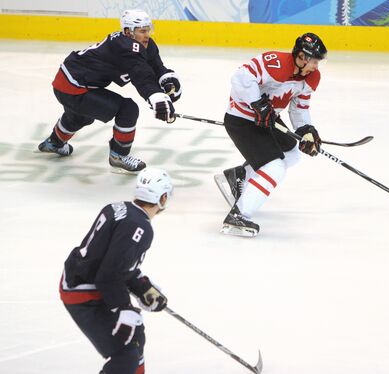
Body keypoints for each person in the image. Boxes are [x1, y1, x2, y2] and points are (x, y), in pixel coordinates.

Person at [59, 167, 173, 374]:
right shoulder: (140, 228)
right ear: (163, 197)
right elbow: (109, 275)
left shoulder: (117, 208)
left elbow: (113, 263)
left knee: (136, 336)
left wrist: (142, 287)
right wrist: (124, 308)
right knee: (126, 354)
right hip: (84, 293)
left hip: (79, 277)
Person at [38, 9, 181, 173]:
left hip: (68, 81)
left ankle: (54, 143)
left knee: (81, 116)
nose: (147, 35)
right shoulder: (126, 47)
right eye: (142, 31)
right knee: (128, 109)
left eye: (148, 30)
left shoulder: (139, 43)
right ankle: (118, 155)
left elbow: (155, 66)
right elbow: (142, 75)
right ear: (128, 32)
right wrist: (157, 97)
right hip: (74, 86)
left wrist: (168, 81)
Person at [216, 33, 326, 237]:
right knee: (274, 166)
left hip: (268, 120)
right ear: (301, 56)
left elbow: (299, 107)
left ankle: (239, 176)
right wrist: (257, 103)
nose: (315, 67)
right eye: (313, 61)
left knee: (292, 152)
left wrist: (306, 131)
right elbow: (241, 77)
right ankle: (239, 215)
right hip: (242, 120)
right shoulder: (275, 62)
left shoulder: (310, 77)